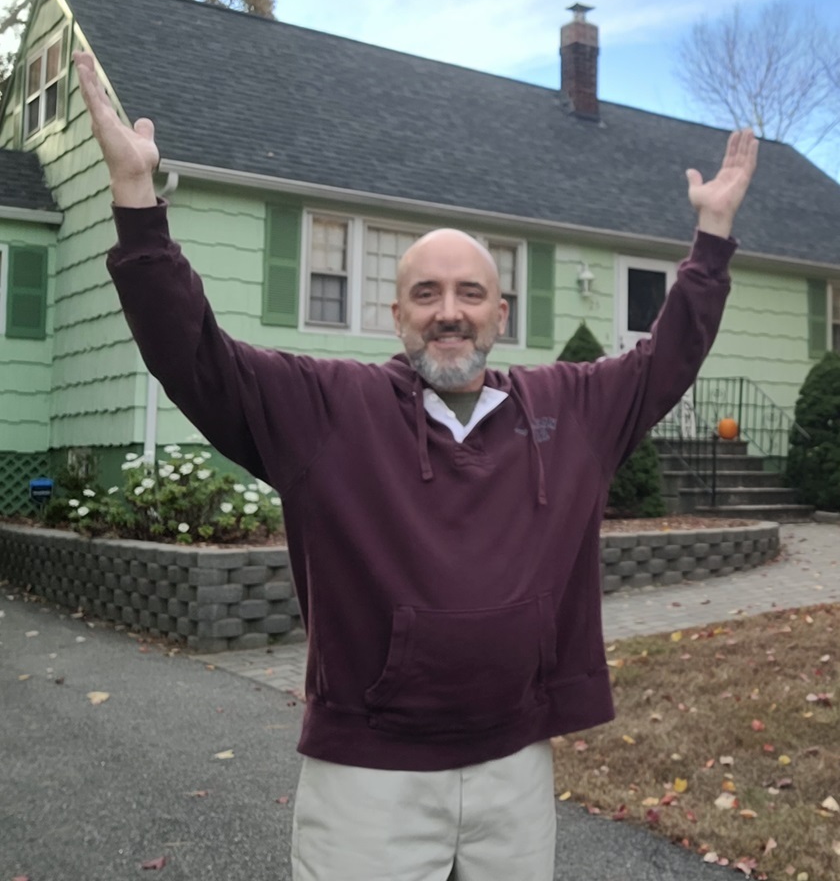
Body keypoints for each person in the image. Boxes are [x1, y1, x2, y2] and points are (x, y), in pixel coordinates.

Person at [73, 49, 758, 881]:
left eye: (470, 294)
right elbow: (196, 359)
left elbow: (667, 361)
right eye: (427, 295)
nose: (450, 314)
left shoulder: (567, 409)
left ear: (500, 313)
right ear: (395, 312)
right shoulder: (325, 408)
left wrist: (711, 237)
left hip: (516, 766)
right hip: (370, 775)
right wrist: (137, 203)